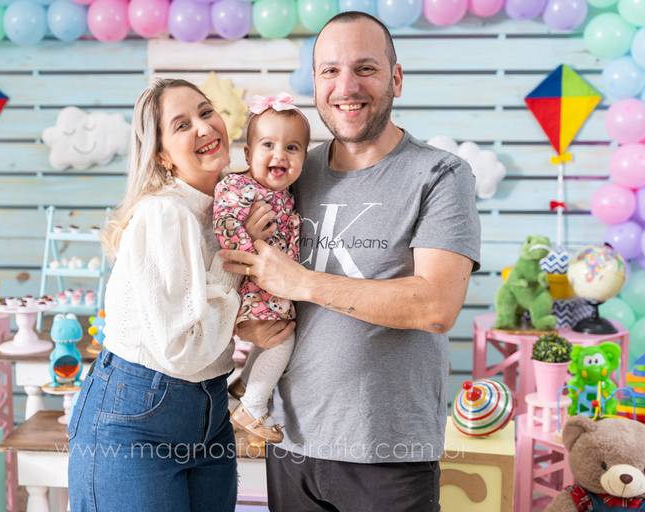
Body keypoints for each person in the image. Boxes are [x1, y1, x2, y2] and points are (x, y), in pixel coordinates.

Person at [220, 11, 481, 512]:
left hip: (387, 451)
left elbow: (435, 306)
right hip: (290, 441)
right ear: (315, 83)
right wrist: (248, 317)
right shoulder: (293, 168)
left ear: (396, 79)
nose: (346, 87)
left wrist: (302, 282)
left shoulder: (440, 174)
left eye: (365, 68)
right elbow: (237, 259)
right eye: (330, 71)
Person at [68, 78, 246, 512]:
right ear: (162, 155)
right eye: (182, 125)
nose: (204, 127)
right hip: (137, 418)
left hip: (209, 411)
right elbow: (179, 350)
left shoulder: (225, 208)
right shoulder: (164, 213)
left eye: (206, 112)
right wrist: (236, 258)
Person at [213, 92, 310, 443]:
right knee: (282, 341)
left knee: (273, 339)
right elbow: (225, 223)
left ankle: (243, 384)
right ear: (248, 154)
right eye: (268, 144)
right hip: (255, 286)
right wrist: (250, 254)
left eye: (292, 148)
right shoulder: (240, 186)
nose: (279, 154)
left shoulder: (285, 194)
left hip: (270, 288)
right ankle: (253, 407)